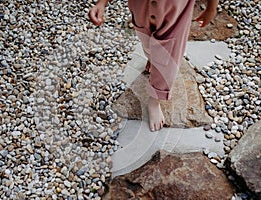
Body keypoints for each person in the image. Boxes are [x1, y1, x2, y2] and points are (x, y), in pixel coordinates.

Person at [89, 0, 218, 132]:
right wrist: (102, 3)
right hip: (141, 10)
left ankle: (155, 100)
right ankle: (152, 57)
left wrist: (211, 8)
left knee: (168, 61)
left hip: (174, 16)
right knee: (147, 44)